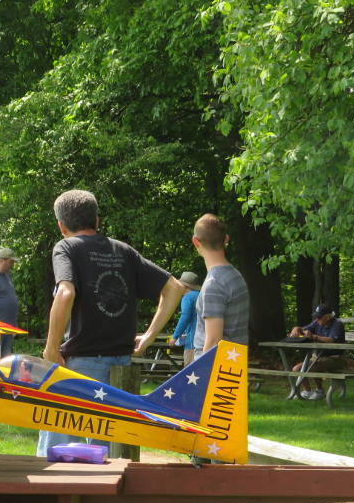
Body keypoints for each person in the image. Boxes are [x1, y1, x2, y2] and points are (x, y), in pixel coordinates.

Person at [37, 190, 186, 456]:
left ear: (61, 226)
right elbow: (174, 287)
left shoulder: (66, 247)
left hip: (80, 365)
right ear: (97, 219)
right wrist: (150, 336)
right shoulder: (123, 251)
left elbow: (65, 292)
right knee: (108, 452)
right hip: (121, 365)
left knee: (59, 452)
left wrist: (51, 347)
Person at [191, 213, 250, 357]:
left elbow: (213, 342)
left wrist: (201, 375)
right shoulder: (234, 275)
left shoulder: (214, 284)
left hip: (217, 371)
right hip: (232, 366)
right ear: (226, 239)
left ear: (196, 242)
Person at [288, 304, 345, 399]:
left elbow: (331, 340)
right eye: (316, 317)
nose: (317, 319)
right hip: (318, 357)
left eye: (319, 317)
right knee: (297, 369)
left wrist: (314, 336)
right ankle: (308, 391)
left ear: (328, 317)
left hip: (335, 358)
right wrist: (297, 328)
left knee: (311, 365)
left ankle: (319, 391)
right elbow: (304, 329)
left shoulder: (337, 324)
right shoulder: (316, 323)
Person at [168, 271, 201, 365]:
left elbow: (185, 317)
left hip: (192, 341)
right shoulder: (199, 295)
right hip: (202, 339)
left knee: (189, 371)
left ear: (185, 286)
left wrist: (175, 337)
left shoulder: (188, 297)